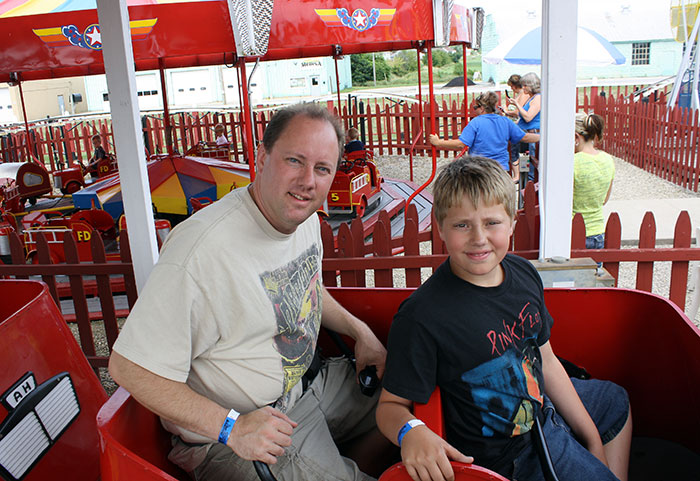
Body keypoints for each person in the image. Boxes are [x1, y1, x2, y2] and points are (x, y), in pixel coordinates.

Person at [108, 103, 388, 481]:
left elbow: (307, 287)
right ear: (262, 156)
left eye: (322, 169)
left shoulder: (301, 217)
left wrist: (362, 333)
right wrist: (231, 428)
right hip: (245, 430)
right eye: (295, 161)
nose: (308, 180)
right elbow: (129, 368)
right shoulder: (200, 250)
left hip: (308, 387)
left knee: (404, 395)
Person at [376, 156, 632, 481]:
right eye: (461, 225)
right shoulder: (422, 316)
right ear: (439, 227)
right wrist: (410, 432)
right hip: (512, 453)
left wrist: (592, 440)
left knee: (614, 401)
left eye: (492, 222)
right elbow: (389, 407)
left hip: (541, 405)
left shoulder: (524, 274)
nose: (479, 238)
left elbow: (547, 361)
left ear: (512, 221)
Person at [429, 92, 539, 175]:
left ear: (482, 109)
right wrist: (542, 137)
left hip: (479, 168)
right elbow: (525, 137)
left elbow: (461, 144)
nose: (474, 110)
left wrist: (438, 142)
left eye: (475, 107)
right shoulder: (505, 121)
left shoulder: (475, 123)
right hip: (500, 169)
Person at [573, 112, 615, 255]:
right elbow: (604, 199)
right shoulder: (608, 160)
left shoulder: (573, 162)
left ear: (576, 137)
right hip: (598, 230)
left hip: (575, 230)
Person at [507, 72, 541, 182]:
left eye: (525, 85)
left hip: (532, 137)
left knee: (530, 165)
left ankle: (528, 188)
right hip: (525, 137)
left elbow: (528, 117)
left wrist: (517, 104)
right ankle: (524, 187)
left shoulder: (538, 98)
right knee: (524, 165)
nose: (523, 88)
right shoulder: (531, 98)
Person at [504, 74, 527, 182]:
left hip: (517, 127)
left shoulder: (522, 95)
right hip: (516, 126)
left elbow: (519, 112)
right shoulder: (521, 95)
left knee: (516, 151)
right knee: (517, 151)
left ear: (514, 85)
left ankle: (517, 176)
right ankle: (520, 174)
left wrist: (507, 111)